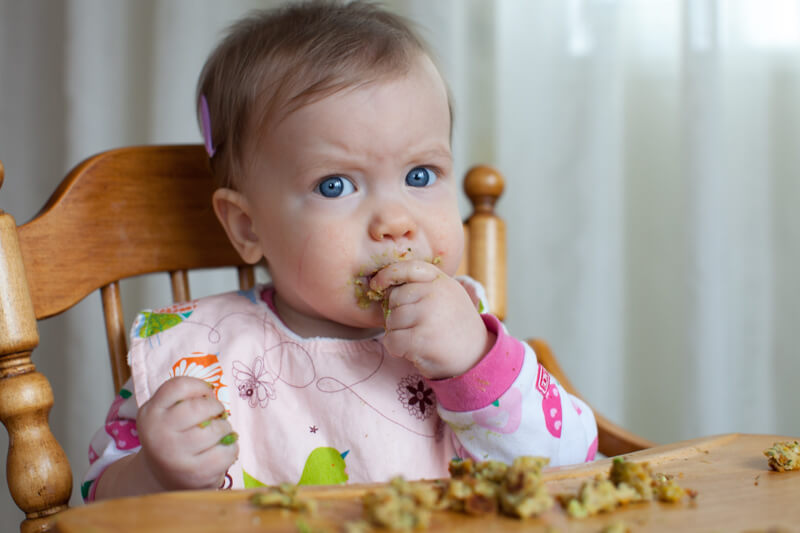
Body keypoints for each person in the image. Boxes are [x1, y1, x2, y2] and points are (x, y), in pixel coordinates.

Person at [83, 0, 597, 502]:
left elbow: (573, 466)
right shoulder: (196, 354)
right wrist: (155, 472)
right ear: (246, 225)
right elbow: (94, 506)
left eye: (420, 176)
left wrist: (475, 365)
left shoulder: (468, 338)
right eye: (335, 186)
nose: (396, 222)